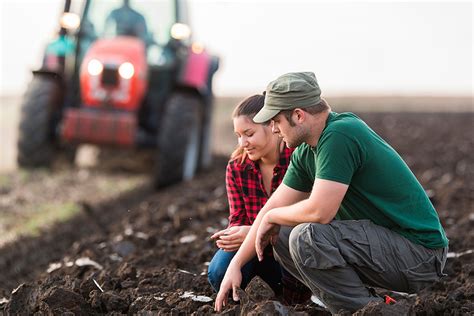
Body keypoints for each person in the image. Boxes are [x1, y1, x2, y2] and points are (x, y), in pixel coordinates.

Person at [215, 72, 448, 314]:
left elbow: (320, 211)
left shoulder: (340, 135)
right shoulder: (306, 151)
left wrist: (272, 218)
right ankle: (367, 306)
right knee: (282, 235)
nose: (273, 130)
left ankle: (371, 311)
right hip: (385, 246)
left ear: (298, 115)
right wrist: (237, 264)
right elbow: (271, 208)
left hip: (419, 254)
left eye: (276, 121)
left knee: (307, 236)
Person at [208, 94, 311, 304]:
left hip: (294, 253)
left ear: (272, 126)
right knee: (219, 271)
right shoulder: (237, 166)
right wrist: (239, 233)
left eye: (249, 133)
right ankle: (253, 297)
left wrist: (254, 231)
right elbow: (238, 219)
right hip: (257, 254)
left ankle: (293, 297)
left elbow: (310, 218)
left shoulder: (298, 159)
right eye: (238, 135)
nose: (242, 143)